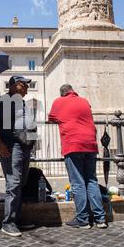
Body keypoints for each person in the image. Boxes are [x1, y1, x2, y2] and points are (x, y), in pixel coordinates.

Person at [48, 84, 108, 229]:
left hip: (73, 144)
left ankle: (83, 219)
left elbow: (51, 119)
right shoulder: (84, 101)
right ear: (73, 91)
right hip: (90, 144)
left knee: (78, 183)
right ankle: (100, 219)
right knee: (91, 180)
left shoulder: (58, 101)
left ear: (62, 93)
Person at [0, 76, 37, 237]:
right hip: (11, 146)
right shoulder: (3, 101)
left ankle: (16, 219)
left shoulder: (21, 102)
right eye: (25, 85)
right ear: (16, 85)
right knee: (14, 182)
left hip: (24, 146)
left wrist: (31, 143)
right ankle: (8, 222)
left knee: (21, 182)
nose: (27, 89)